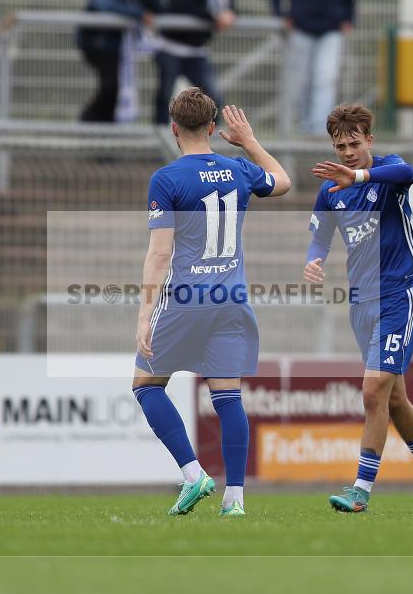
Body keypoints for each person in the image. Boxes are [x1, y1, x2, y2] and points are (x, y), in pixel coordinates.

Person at [133, 88, 291, 517]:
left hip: (186, 298)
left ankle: (193, 474)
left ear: (173, 128)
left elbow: (160, 253)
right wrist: (250, 142)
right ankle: (235, 499)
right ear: (211, 127)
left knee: (145, 385)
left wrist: (145, 314)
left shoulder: (166, 179)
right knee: (228, 398)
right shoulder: (239, 168)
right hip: (232, 299)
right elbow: (283, 182)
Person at [303, 104, 413, 514]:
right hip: (362, 301)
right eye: (340, 146)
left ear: (370, 139)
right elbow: (320, 233)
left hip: (397, 294)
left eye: (355, 143)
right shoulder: (331, 189)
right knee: (393, 399)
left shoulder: (387, 172)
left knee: (372, 392)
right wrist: (313, 259)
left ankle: (361, 490)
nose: (348, 152)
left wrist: (359, 176)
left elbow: (408, 174)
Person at [271, 0, 354, 135]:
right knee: (300, 82)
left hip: (332, 27)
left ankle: (319, 132)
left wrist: (348, 16)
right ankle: (303, 128)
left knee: (326, 80)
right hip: (300, 26)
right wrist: (280, 14)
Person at [77, 0, 161, 122]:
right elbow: (105, 5)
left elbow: (157, 7)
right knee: (111, 83)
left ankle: (103, 122)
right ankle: (91, 119)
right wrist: (140, 14)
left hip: (115, 45)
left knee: (113, 85)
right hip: (98, 44)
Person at [153, 0, 235, 125]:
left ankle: (208, 139)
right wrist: (214, 17)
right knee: (164, 98)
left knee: (214, 98)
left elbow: (228, 8)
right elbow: (182, 5)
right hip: (171, 47)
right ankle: (159, 138)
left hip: (197, 51)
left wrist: (229, 13)